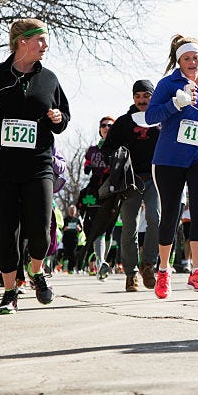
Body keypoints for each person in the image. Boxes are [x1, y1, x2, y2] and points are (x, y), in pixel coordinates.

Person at [0, 18, 69, 314]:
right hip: (1, 164)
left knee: (41, 230)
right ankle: (10, 292)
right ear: (22, 41)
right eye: (41, 40)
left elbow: (64, 117)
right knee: (7, 231)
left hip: (38, 164)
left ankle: (36, 270)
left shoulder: (49, 79)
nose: (46, 46)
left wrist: (59, 118)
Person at [145, 34, 198, 298]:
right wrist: (175, 103)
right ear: (179, 61)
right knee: (171, 212)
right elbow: (150, 115)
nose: (192, 62)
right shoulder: (168, 84)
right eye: (187, 58)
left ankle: (197, 270)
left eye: (195, 58)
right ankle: (164, 271)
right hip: (170, 157)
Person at [100, 79, 162, 291]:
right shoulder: (124, 122)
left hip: (154, 178)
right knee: (130, 227)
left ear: (153, 97)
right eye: (138, 96)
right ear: (133, 98)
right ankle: (131, 273)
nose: (142, 100)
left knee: (156, 219)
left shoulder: (161, 119)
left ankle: (148, 264)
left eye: (146, 96)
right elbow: (107, 149)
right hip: (131, 181)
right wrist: (117, 160)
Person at [77, 116, 115, 278]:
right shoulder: (93, 150)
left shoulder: (117, 147)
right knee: (96, 227)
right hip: (94, 191)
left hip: (112, 190)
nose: (106, 127)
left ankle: (103, 260)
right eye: (103, 125)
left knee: (108, 230)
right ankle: (100, 264)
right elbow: (86, 166)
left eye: (110, 125)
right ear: (100, 129)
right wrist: (88, 167)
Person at [60, 204, 82, 273]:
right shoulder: (65, 219)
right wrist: (64, 228)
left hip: (74, 239)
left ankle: (71, 269)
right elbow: (61, 228)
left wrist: (79, 229)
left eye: (73, 211)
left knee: (73, 254)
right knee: (66, 253)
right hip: (66, 239)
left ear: (75, 211)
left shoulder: (77, 220)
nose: (72, 212)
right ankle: (64, 267)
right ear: (68, 211)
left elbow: (81, 229)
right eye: (71, 211)